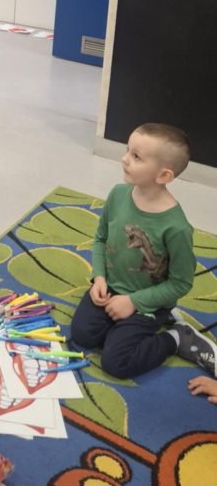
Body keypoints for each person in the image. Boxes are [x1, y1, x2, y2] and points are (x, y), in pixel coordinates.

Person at [71, 122, 200, 379]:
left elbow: (181, 283)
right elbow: (100, 239)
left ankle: (175, 338)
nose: (124, 159)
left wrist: (133, 302)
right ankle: (122, 326)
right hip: (110, 288)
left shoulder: (177, 228)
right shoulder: (118, 194)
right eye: (127, 150)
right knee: (82, 336)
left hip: (147, 303)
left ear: (163, 176)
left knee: (116, 363)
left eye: (136, 156)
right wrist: (99, 277)